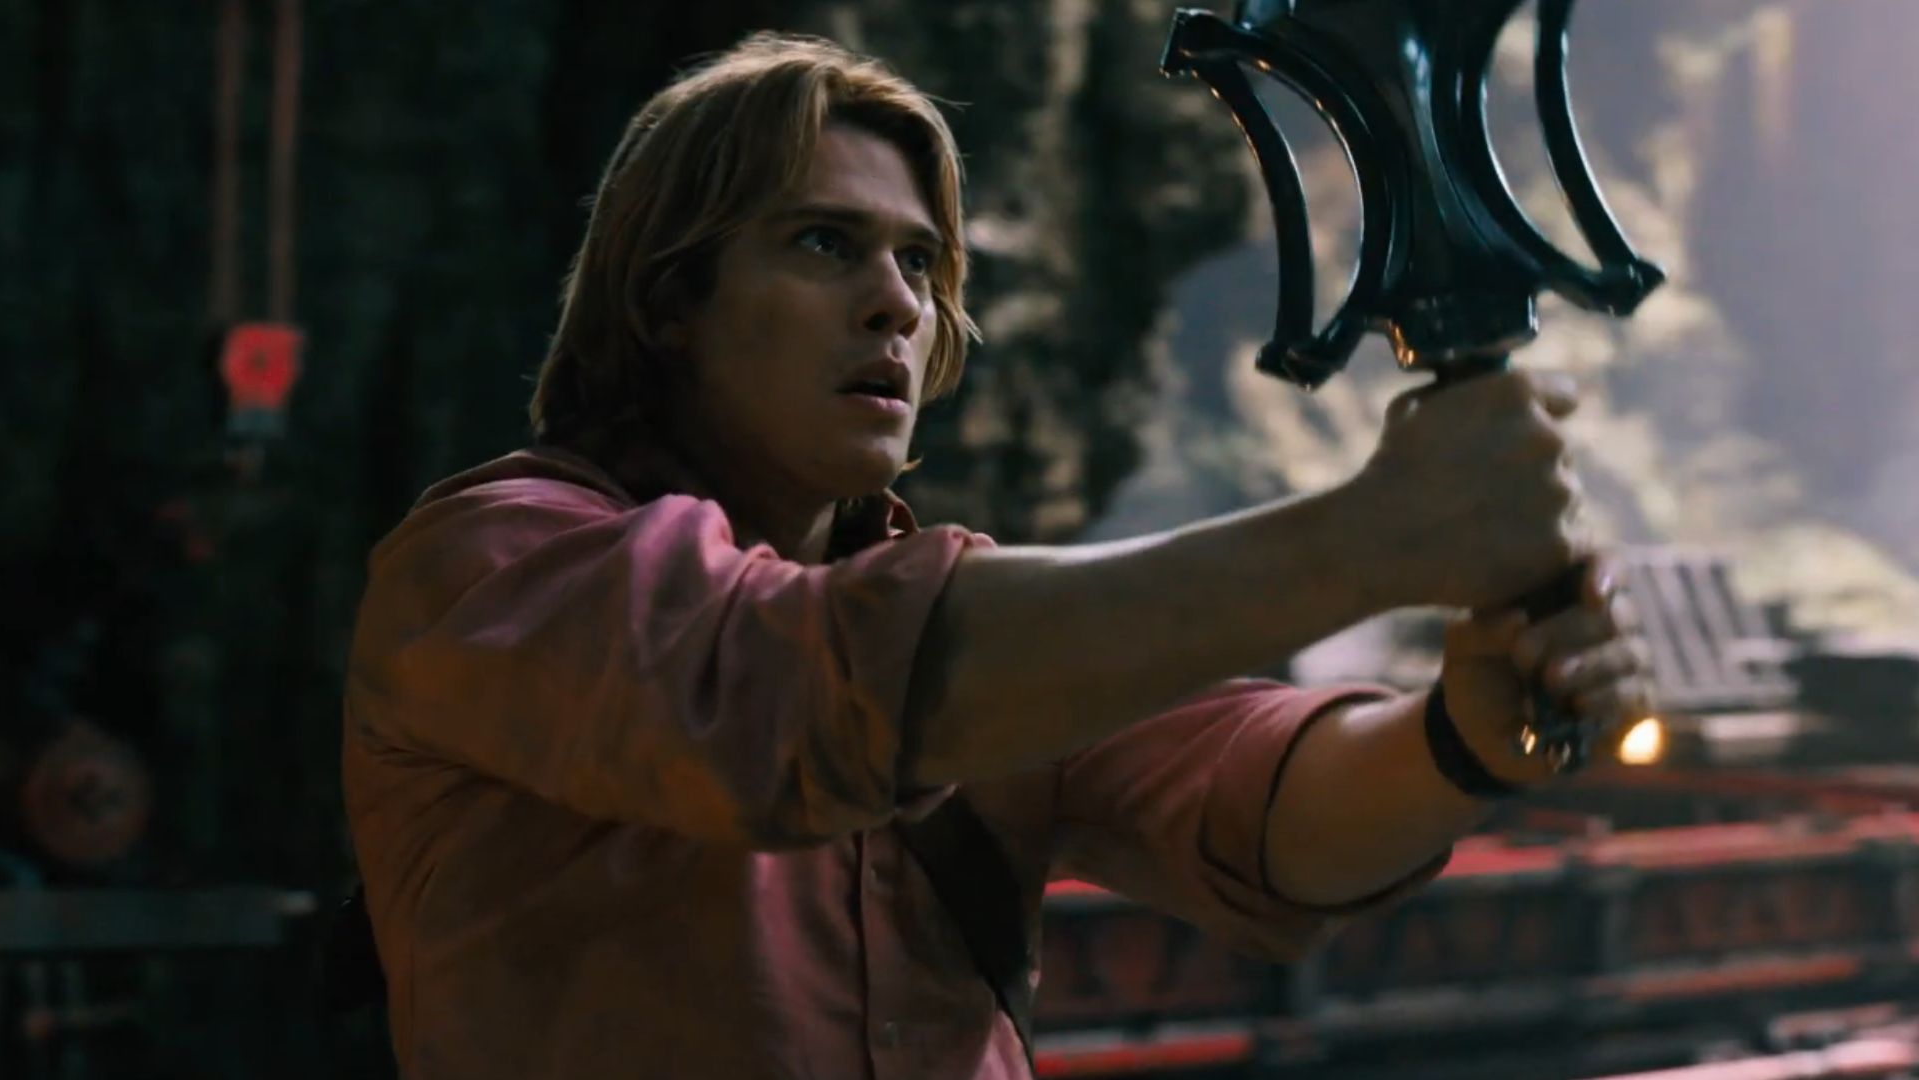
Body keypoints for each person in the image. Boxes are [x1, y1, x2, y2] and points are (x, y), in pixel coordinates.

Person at [341, 31, 1648, 1080]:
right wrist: (1368, 540)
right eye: (822, 244)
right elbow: (781, 697)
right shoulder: (493, 566)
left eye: (920, 262)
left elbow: (1249, 807)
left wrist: (1461, 739)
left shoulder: (989, 646)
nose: (896, 304)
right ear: (670, 301)